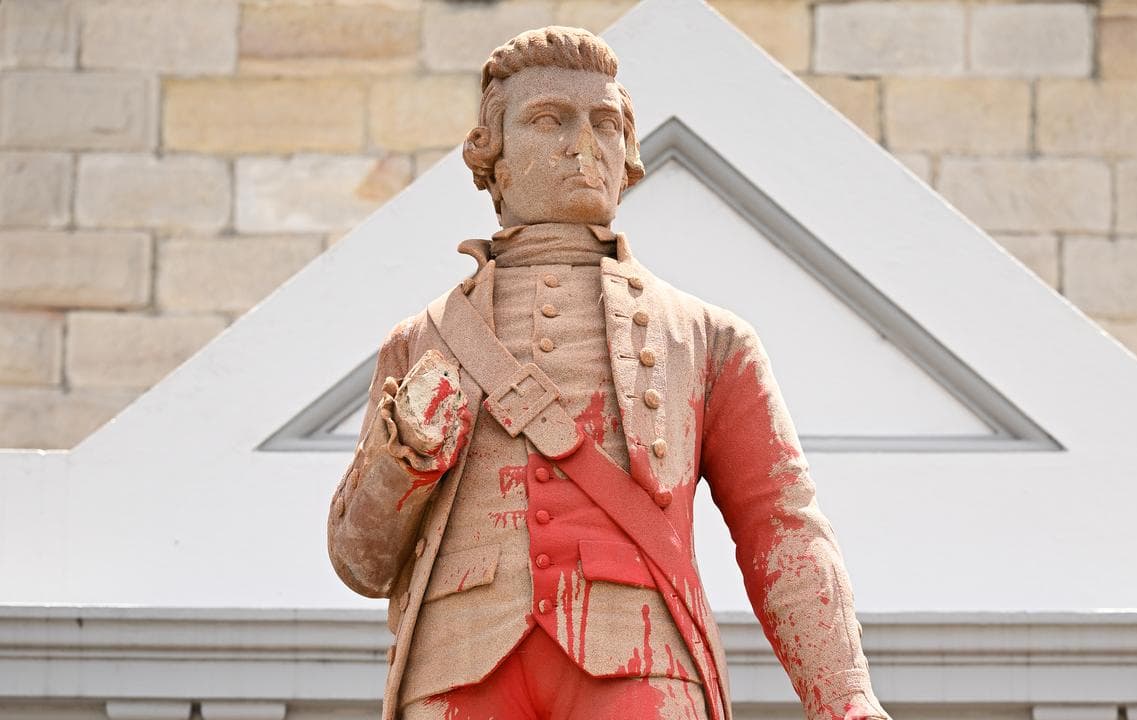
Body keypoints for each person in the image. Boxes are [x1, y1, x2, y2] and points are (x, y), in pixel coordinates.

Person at [327, 25, 890, 720]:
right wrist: (402, 462)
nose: (583, 145)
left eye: (604, 124)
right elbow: (361, 562)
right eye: (548, 120)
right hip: (456, 665)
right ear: (491, 155)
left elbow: (782, 525)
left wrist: (845, 695)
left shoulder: (709, 339)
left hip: (642, 663)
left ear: (628, 158)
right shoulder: (421, 343)